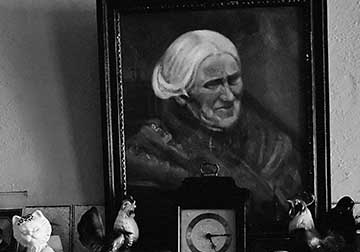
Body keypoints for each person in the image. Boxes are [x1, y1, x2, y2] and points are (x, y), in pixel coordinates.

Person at [125, 29, 302, 233]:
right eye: (213, 84)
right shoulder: (147, 149)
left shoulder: (274, 144)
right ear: (181, 95)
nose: (228, 95)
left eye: (233, 80)